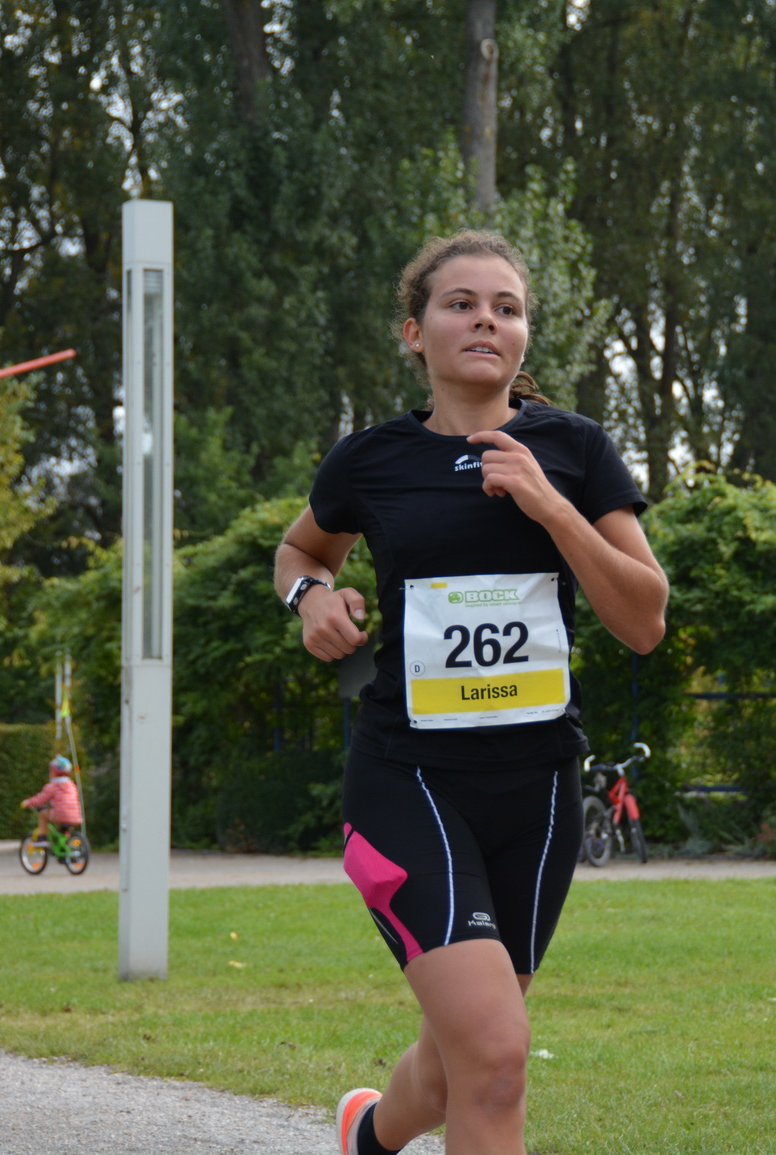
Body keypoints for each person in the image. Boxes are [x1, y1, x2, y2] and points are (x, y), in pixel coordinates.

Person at [272, 230, 668, 1155]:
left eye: (508, 306)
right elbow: (300, 551)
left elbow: (644, 619)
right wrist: (313, 598)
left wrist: (549, 503)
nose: (487, 318)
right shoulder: (369, 460)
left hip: (535, 789)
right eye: (461, 303)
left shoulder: (573, 450)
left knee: (461, 1063)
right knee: (493, 1052)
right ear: (415, 331)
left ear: (525, 335)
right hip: (407, 776)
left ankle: (368, 1134)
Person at [20, 756, 83, 842]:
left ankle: (42, 836)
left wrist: (29, 802)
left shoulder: (53, 786)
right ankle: (66, 841)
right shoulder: (72, 785)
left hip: (59, 814)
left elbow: (41, 799)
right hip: (75, 816)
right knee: (64, 829)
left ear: (55, 772)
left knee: (43, 814)